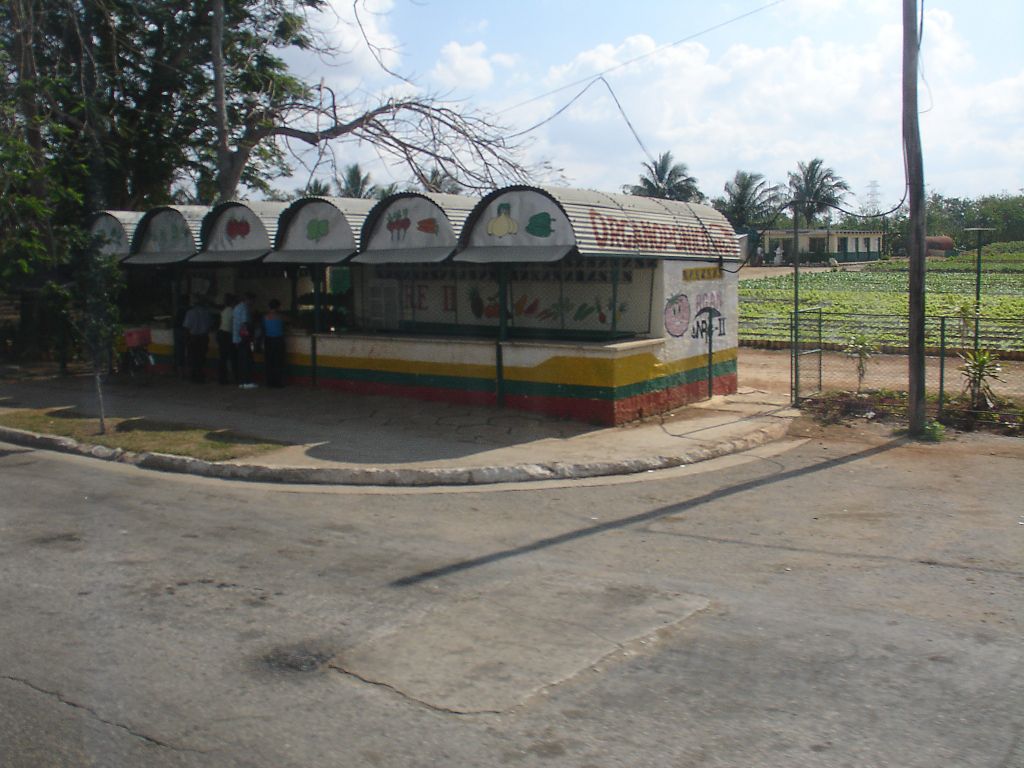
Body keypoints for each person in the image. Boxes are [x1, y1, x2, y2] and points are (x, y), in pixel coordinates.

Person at [182, 295, 216, 383]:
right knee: (201, 357)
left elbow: (186, 327)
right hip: (204, 338)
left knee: (193, 357)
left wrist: (186, 339)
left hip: (193, 338)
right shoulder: (207, 313)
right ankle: (200, 375)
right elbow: (211, 325)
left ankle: (194, 376)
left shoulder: (190, 313)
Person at [232, 293, 257, 389]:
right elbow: (245, 323)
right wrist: (251, 336)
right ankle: (247, 381)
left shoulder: (237, 308)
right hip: (244, 338)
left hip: (237, 338)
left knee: (241, 360)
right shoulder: (244, 308)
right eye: (253, 301)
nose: (253, 303)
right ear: (249, 300)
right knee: (247, 359)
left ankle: (242, 381)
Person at [262, 299, 286, 388]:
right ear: (278, 307)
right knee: (278, 362)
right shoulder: (280, 317)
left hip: (268, 340)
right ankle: (278, 382)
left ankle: (269, 382)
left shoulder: (265, 317)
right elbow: (284, 326)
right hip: (278, 340)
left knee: (269, 362)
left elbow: (263, 328)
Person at [216, 293, 235, 385]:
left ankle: (222, 378)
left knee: (222, 357)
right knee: (227, 357)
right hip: (227, 335)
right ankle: (225, 378)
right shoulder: (233, 311)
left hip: (221, 333)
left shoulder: (224, 310)